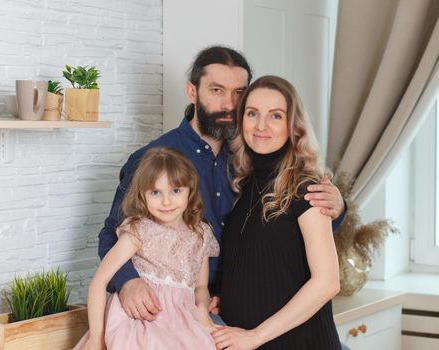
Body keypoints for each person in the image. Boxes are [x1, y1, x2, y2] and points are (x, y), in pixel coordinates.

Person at [98, 46, 346, 323]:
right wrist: (128, 282)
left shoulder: (255, 153)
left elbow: (290, 223)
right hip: (175, 304)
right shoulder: (154, 159)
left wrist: (335, 208)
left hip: (253, 303)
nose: (230, 104)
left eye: (239, 93)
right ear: (193, 92)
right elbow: (112, 232)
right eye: (217, 91)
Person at [215, 75, 341, 349]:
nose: (261, 125)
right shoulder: (245, 183)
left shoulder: (307, 188)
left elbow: (327, 282)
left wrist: (254, 336)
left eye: (275, 116)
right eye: (252, 114)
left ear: (292, 126)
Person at [75, 147, 219, 350]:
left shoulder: (201, 235)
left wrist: (202, 311)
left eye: (176, 190)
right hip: (138, 319)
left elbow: (201, 288)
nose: (166, 201)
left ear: (190, 190)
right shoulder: (139, 231)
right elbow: (99, 282)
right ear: (142, 195)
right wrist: (96, 337)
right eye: (155, 192)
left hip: (181, 323)